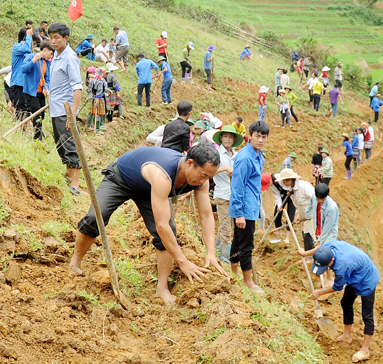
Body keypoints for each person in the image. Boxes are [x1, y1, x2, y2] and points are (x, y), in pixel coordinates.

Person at [69, 145, 227, 305]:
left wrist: (211, 253)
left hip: (149, 189)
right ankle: (75, 261)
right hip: (121, 178)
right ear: (190, 164)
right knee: (96, 216)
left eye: (208, 177)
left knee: (169, 232)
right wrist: (182, 262)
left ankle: (162, 288)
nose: (203, 181)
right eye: (203, 175)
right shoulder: (163, 175)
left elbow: (206, 216)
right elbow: (161, 225)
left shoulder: (200, 182)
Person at [299, 241, 379, 363]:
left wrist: (320, 292)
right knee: (346, 302)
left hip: (367, 278)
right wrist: (305, 253)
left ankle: (365, 350)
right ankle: (347, 335)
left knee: (367, 315)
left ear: (331, 261)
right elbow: (319, 249)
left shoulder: (342, 266)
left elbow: (337, 287)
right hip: (354, 273)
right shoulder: (328, 248)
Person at [229, 121, 270, 294]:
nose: (260, 140)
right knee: (247, 245)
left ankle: (232, 274)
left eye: (264, 137)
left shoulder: (258, 155)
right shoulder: (245, 157)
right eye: (257, 136)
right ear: (250, 136)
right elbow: (237, 186)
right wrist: (239, 214)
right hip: (244, 209)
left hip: (251, 206)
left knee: (238, 241)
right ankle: (248, 282)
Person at [47, 22, 83, 195]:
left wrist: (73, 114)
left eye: (56, 38)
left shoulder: (70, 57)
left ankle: (75, 183)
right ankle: (68, 173)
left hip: (65, 110)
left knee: (70, 144)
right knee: (61, 142)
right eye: (51, 37)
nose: (53, 41)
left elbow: (77, 87)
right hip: (55, 108)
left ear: (66, 38)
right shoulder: (56, 55)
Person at [212, 125, 242, 263]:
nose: (228, 139)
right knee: (226, 230)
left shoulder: (236, 155)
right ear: (221, 138)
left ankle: (217, 252)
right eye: (225, 136)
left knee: (227, 226)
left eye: (230, 137)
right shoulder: (216, 154)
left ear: (234, 139)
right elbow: (209, 172)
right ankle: (225, 260)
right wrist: (224, 168)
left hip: (234, 196)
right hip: (222, 195)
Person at [304, 183, 339, 287]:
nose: (319, 201)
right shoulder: (314, 198)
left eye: (322, 199)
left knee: (325, 254)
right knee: (319, 254)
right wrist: (308, 214)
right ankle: (322, 278)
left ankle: (330, 278)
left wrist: (320, 241)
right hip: (317, 228)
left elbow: (328, 227)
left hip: (328, 234)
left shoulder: (331, 208)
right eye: (318, 198)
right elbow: (310, 204)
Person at [21, 42, 53, 140]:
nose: (51, 56)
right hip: (31, 91)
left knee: (41, 115)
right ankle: (38, 138)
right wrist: (34, 60)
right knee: (37, 114)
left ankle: (37, 133)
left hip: (40, 93)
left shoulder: (48, 63)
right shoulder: (31, 56)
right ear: (45, 50)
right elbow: (24, 69)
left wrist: (45, 88)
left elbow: (47, 79)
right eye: (50, 53)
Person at [10, 28, 33, 120]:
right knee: (21, 107)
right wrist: (29, 36)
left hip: (26, 84)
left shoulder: (28, 52)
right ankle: (22, 128)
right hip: (18, 82)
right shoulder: (17, 47)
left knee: (27, 108)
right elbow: (26, 48)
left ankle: (23, 128)